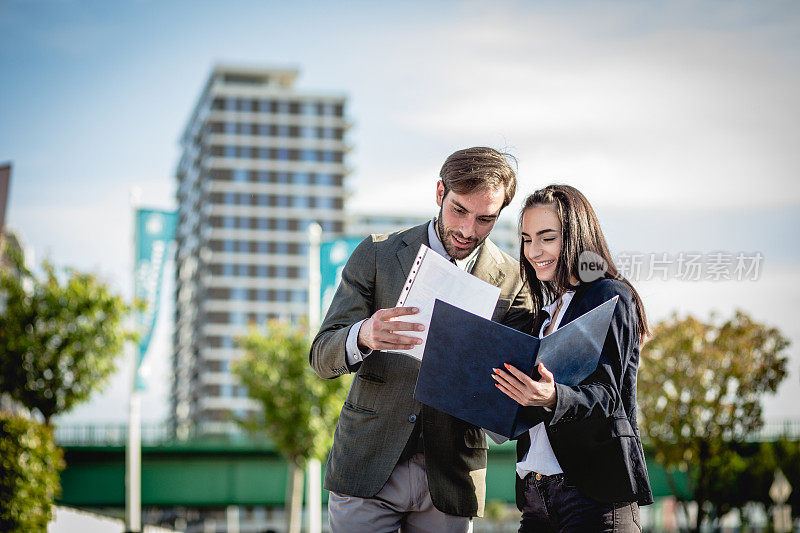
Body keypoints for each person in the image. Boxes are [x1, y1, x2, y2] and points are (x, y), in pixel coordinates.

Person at [309, 147, 535, 533]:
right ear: (439, 193)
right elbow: (321, 355)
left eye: (486, 219)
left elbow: (512, 391)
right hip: (367, 462)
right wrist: (364, 334)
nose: (467, 231)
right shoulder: (377, 254)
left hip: (450, 476)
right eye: (459, 210)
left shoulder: (515, 281)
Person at [492, 184, 653, 532]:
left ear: (576, 236)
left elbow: (609, 396)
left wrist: (553, 397)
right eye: (526, 238)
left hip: (592, 495)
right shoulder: (543, 315)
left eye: (546, 238)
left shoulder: (609, 295)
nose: (534, 251)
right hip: (536, 495)